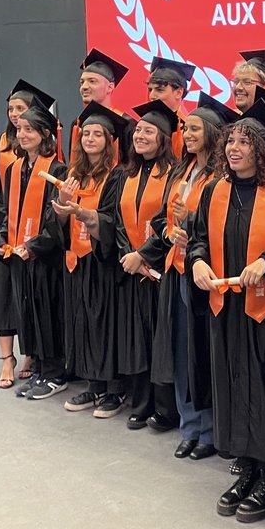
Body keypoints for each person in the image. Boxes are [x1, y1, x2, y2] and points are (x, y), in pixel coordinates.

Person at [187, 99, 265, 523]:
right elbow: (199, 238)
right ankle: (247, 467)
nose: (234, 147)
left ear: (264, 149)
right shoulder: (215, 190)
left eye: (245, 141)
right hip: (224, 307)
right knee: (232, 386)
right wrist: (197, 261)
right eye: (231, 139)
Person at [144, 93, 239, 460]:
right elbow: (164, 220)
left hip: (204, 273)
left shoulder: (220, 176)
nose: (187, 132)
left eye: (195, 128)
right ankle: (190, 426)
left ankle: (211, 430)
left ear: (213, 133)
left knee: (203, 353)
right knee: (183, 350)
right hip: (176, 268)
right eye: (185, 127)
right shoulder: (182, 171)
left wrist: (191, 229)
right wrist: (171, 232)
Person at [94, 100, 182, 431]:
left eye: (150, 131)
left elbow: (169, 221)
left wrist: (145, 255)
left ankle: (165, 409)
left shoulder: (173, 175)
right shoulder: (125, 174)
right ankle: (141, 402)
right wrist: (127, 255)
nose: (141, 135)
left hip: (160, 272)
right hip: (132, 270)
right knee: (138, 340)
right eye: (139, 130)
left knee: (161, 342)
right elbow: (116, 220)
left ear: (164, 139)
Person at [53, 101, 130, 418]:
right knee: (82, 322)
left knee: (104, 323)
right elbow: (57, 218)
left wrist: (85, 215)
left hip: (102, 260)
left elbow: (113, 219)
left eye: (97, 134)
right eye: (86, 133)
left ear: (110, 140)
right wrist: (61, 206)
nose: (90, 139)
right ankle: (93, 383)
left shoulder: (117, 176)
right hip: (76, 260)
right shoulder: (73, 174)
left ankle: (113, 389)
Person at [0, 79, 53, 388]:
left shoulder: (47, 151)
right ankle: (7, 358)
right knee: (4, 295)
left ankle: (30, 355)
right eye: (11, 109)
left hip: (33, 231)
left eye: (21, 110)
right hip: (4, 229)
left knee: (30, 294)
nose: (14, 115)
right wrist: (4, 222)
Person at [0, 98, 69, 400]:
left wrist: (34, 246)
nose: (22, 134)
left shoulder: (58, 170)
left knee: (48, 311)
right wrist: (2, 239)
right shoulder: (14, 169)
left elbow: (56, 220)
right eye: (21, 129)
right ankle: (38, 368)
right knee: (27, 311)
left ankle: (54, 373)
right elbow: (7, 214)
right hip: (19, 255)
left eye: (30, 130)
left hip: (46, 257)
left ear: (45, 134)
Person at [70, 49, 129, 164]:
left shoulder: (127, 124)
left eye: (92, 81)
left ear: (110, 87)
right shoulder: (78, 123)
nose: (84, 87)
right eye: (82, 82)